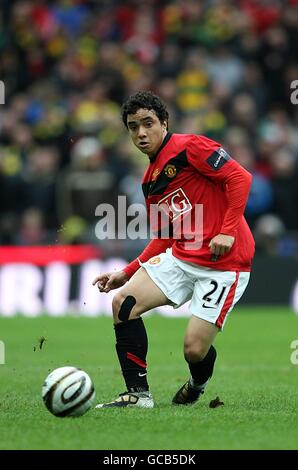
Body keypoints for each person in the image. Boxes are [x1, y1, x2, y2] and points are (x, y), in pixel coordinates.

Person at [93, 91, 255, 408]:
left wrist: (227, 231)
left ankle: (197, 383)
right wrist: (127, 271)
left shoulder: (191, 147)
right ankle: (138, 396)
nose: (141, 133)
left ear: (164, 122)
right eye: (133, 126)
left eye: (148, 123)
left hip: (225, 264)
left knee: (194, 350)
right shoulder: (149, 181)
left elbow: (240, 177)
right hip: (181, 258)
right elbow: (166, 235)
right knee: (123, 303)